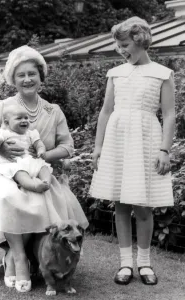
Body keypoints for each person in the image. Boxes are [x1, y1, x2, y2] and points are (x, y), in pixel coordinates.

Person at [0, 45, 88, 293]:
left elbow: (68, 146)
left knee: (43, 196)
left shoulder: (52, 110)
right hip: (1, 170)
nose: (27, 79)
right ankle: (18, 257)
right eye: (21, 74)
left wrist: (46, 154)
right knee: (8, 196)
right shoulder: (2, 107)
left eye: (32, 73)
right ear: (13, 79)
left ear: (40, 76)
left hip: (38, 170)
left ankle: (34, 255)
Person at [90, 17, 175, 286]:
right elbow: (105, 111)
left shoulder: (162, 74)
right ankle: (125, 263)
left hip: (146, 140)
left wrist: (164, 149)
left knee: (143, 205)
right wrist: (98, 147)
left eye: (124, 44)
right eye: (118, 46)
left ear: (140, 41)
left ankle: (145, 263)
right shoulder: (115, 74)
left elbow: (170, 114)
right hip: (118, 139)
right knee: (121, 204)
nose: (121, 50)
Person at [0, 104, 52, 193]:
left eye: (26, 118)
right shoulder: (4, 133)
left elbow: (39, 143)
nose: (24, 121)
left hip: (30, 161)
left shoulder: (31, 133)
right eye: (19, 118)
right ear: (7, 122)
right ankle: (34, 186)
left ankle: (46, 182)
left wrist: (41, 150)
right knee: (20, 173)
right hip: (12, 162)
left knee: (44, 167)